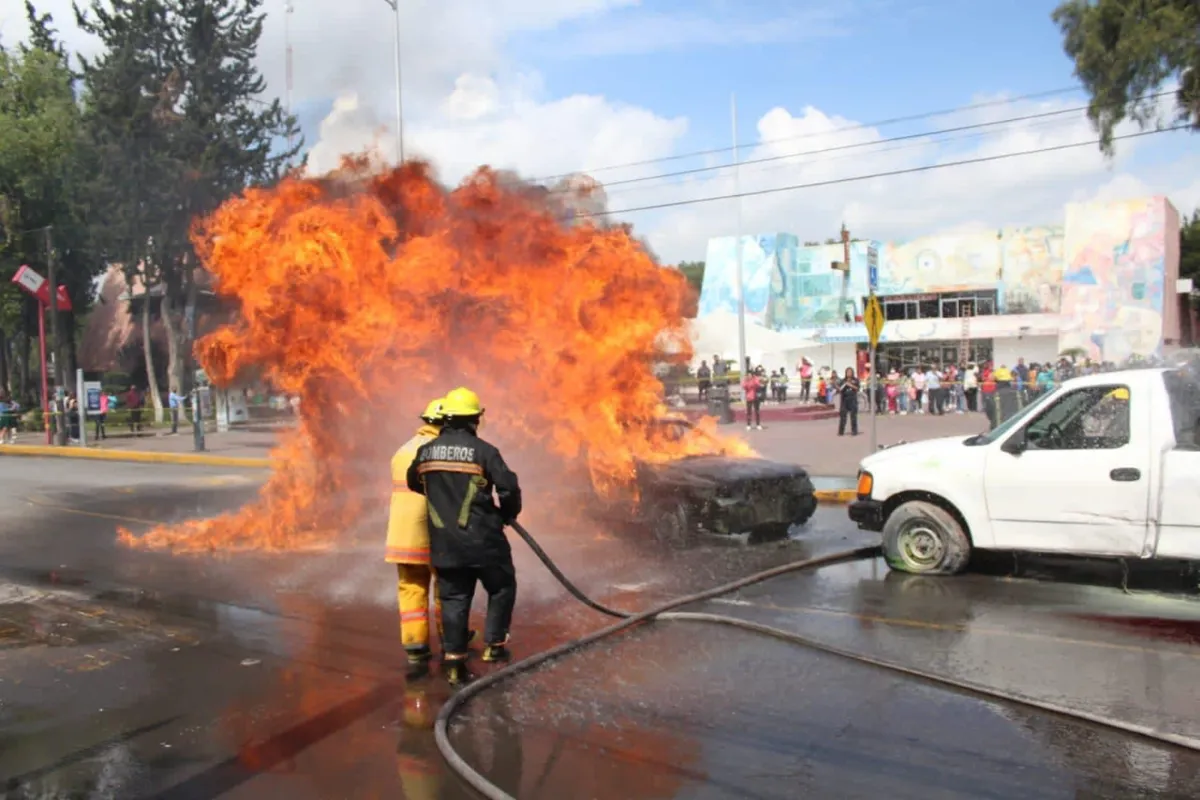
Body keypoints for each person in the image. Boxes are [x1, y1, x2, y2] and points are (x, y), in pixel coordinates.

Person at [406, 387, 522, 686]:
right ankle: (494, 646)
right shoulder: (485, 451)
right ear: (474, 419)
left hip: (445, 542)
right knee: (501, 586)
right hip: (484, 540)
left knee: (454, 597)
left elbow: (414, 481)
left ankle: (454, 660)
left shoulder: (426, 451)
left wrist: (444, 501)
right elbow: (508, 487)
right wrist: (507, 513)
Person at [388, 397, 456, 678]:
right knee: (447, 587)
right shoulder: (438, 451)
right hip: (431, 534)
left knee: (411, 588)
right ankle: (450, 639)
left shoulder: (403, 450)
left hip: (401, 536)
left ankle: (415, 646)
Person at [837, 367, 860, 436]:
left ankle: (854, 431)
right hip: (844, 400)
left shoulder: (855, 380)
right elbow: (839, 389)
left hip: (852, 399)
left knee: (853, 417)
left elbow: (857, 388)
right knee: (843, 416)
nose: (849, 373)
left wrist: (850, 385)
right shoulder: (843, 380)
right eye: (847, 372)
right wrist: (837, 386)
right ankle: (841, 431)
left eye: (850, 372)